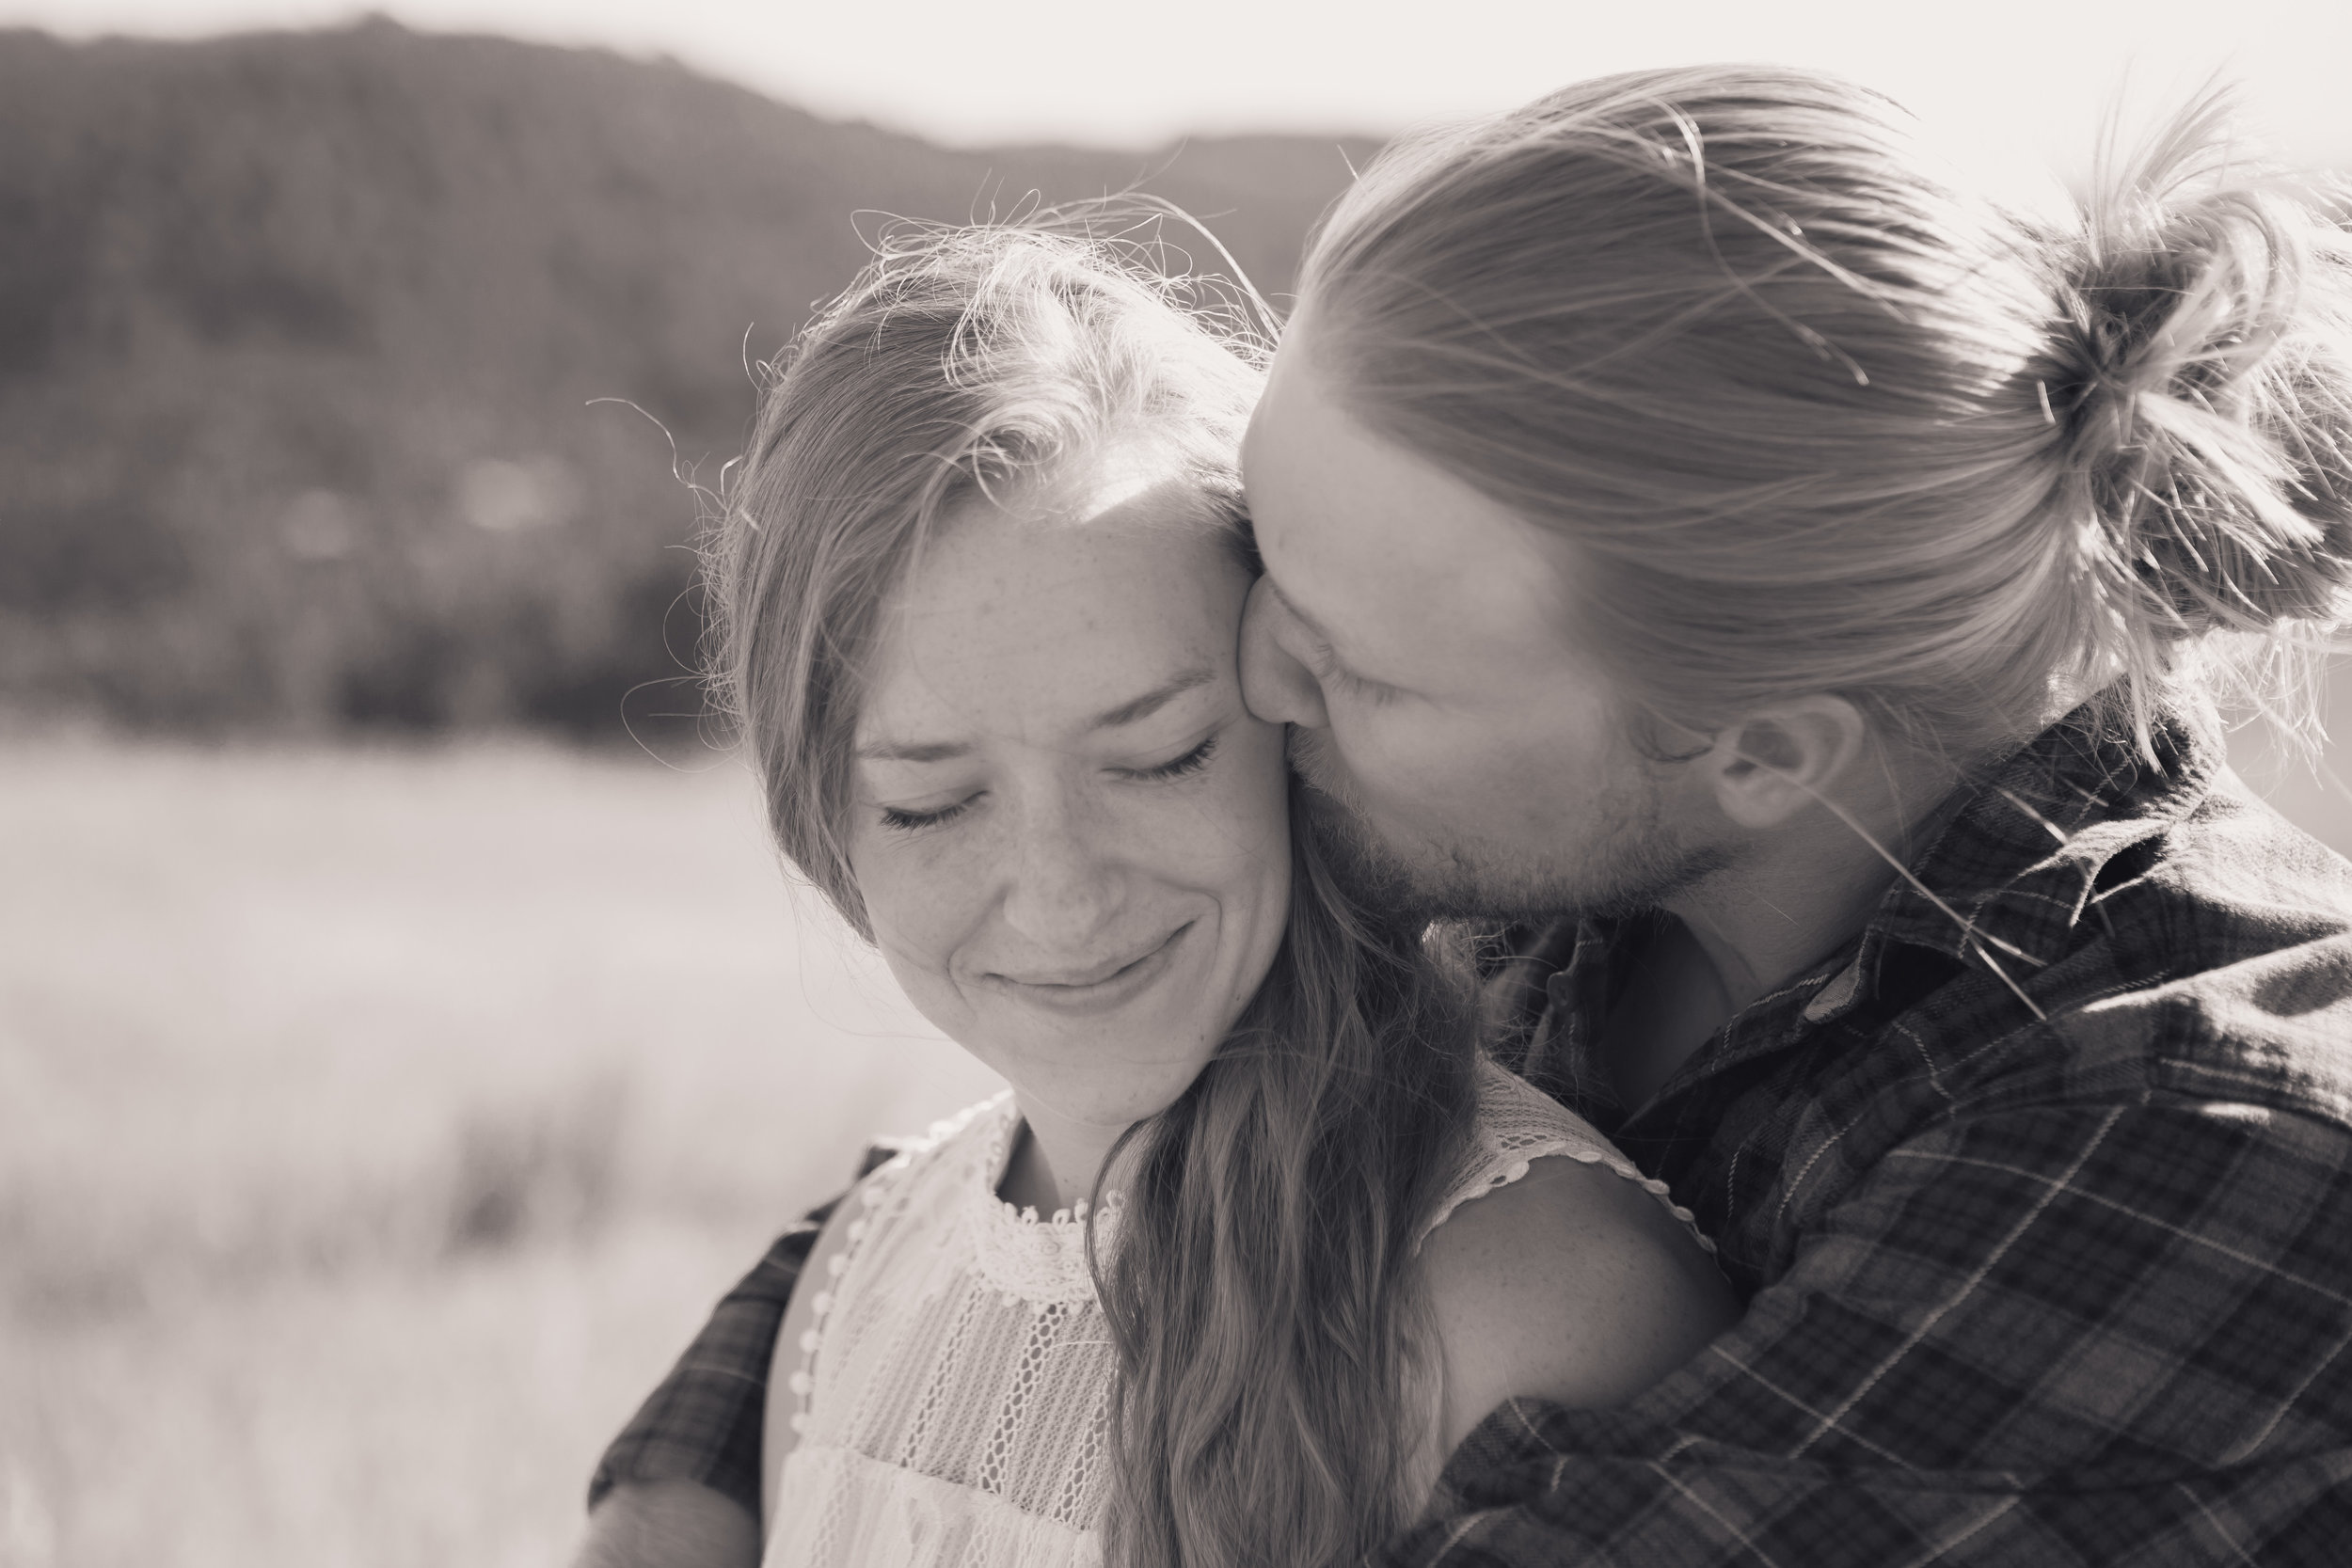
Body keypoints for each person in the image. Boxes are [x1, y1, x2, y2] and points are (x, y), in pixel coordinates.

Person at [586, 65, 2352, 1565]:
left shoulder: (2183, 1156)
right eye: (1264, 557)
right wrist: (727, 1429)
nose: (1257, 683)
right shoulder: (1587, 854)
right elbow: (1087, 1180)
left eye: (1361, 668)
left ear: (1754, 749)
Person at [577, 222, 1733, 1568]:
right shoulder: (852, 1280)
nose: (1062, 898)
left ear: (1302, 730)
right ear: (823, 818)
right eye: (933, 802)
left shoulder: (1530, 1305)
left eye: (1158, 757)